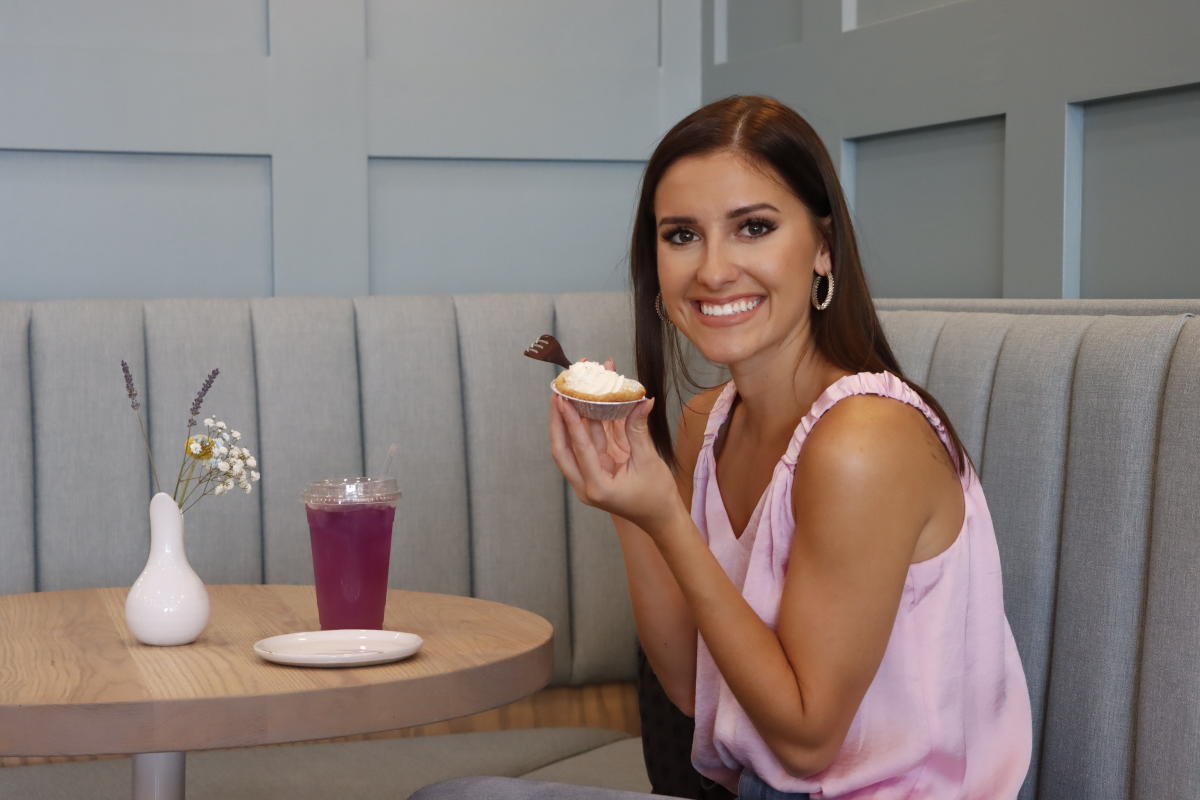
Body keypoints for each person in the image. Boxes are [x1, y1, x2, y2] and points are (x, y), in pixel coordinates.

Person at [415, 96, 1032, 800]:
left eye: (754, 228)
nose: (712, 271)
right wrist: (630, 500)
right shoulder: (709, 422)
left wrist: (670, 522)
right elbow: (688, 685)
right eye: (681, 235)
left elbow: (804, 741)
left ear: (824, 246)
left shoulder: (864, 441)